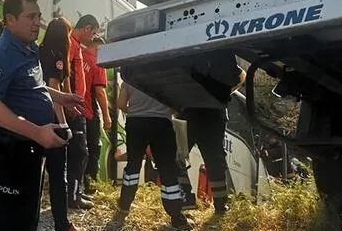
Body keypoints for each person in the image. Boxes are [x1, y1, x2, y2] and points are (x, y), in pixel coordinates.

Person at [0, 0, 84, 231]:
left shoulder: (29, 48)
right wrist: (37, 132)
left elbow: (33, 87)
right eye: (30, 16)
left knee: (27, 220)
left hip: (27, 152)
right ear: (11, 19)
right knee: (13, 224)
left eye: (39, 16)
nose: (38, 22)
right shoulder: (1, 53)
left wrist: (60, 97)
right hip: (8, 152)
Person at [177, 52, 246, 214]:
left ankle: (185, 197)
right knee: (215, 159)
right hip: (215, 114)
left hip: (190, 112)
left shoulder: (190, 54)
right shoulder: (224, 54)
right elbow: (239, 77)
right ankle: (221, 205)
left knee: (177, 155)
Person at [117, 80, 191, 230]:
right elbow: (177, 107)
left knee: (133, 166)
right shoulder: (165, 76)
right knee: (167, 169)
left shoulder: (131, 75)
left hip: (135, 123)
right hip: (161, 124)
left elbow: (120, 103)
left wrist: (134, 111)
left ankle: (124, 206)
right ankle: (177, 217)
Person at [39, 17, 82, 231]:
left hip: (35, 119)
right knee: (58, 176)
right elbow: (53, 88)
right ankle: (62, 224)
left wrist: (70, 105)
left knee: (35, 175)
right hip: (52, 121)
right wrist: (64, 124)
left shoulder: (40, 50)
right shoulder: (57, 56)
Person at [65, 14, 99, 210]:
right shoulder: (69, 43)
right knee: (79, 152)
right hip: (75, 108)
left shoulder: (76, 45)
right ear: (86, 28)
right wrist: (69, 100)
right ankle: (73, 196)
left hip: (77, 106)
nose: (93, 38)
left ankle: (75, 193)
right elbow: (65, 76)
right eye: (93, 33)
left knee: (80, 152)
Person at [81, 36, 113, 194]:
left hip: (75, 111)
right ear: (99, 48)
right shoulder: (98, 63)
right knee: (93, 148)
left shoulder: (78, 55)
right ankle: (91, 185)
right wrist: (107, 117)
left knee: (79, 148)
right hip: (89, 112)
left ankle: (77, 185)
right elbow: (99, 92)